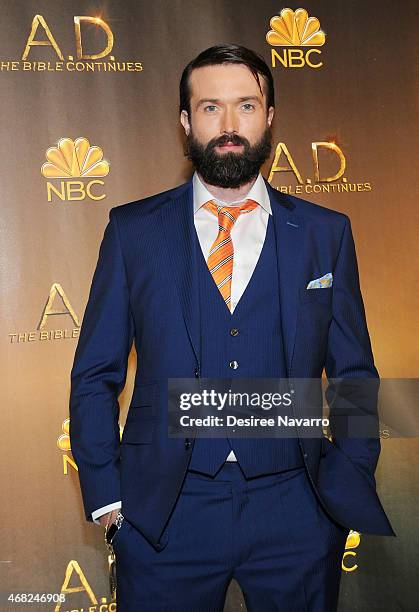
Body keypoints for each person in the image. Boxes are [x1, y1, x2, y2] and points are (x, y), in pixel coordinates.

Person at [69, 44, 394, 612]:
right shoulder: (132, 231)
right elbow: (95, 372)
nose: (228, 125)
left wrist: (348, 479)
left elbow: (354, 374)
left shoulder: (324, 232)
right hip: (164, 514)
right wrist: (108, 499)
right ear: (185, 122)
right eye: (210, 107)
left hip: (296, 508)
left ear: (269, 119)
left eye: (245, 106)